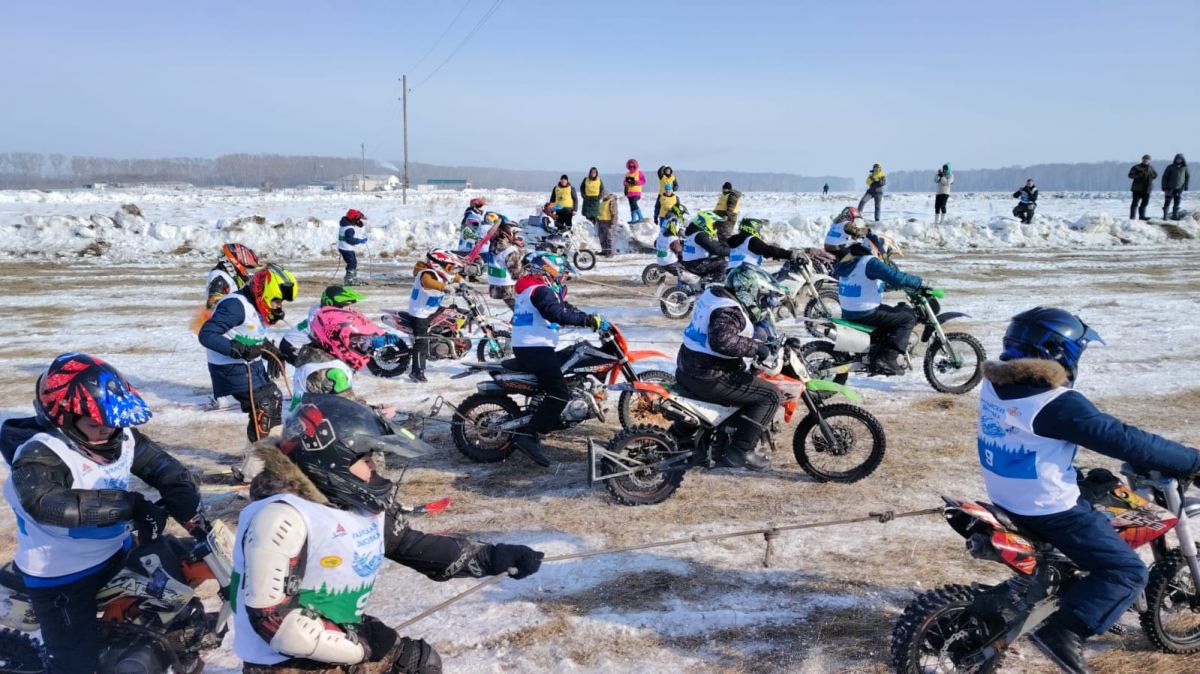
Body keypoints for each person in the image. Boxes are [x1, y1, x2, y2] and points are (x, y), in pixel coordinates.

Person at [233, 395, 543, 674]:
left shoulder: (350, 505)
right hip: (286, 661)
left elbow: (409, 544)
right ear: (330, 458)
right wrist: (363, 644)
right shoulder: (283, 517)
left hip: (336, 639)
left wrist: (492, 557)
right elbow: (276, 621)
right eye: (365, 458)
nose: (375, 467)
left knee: (421, 663)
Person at [978, 307, 1200, 674]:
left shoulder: (995, 383)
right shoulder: (1055, 403)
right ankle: (1064, 630)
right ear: (1060, 352)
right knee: (1126, 572)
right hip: (1049, 508)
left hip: (1008, 494)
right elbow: (1125, 440)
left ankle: (1066, 582)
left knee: (1100, 485)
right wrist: (1193, 461)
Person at [1, 353, 200, 674]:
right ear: (65, 419)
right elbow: (48, 502)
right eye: (94, 424)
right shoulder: (40, 453)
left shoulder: (120, 436)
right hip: (62, 574)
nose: (107, 431)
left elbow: (164, 468)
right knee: (75, 665)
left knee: (178, 587)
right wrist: (131, 506)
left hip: (116, 551)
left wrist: (184, 499)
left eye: (113, 423)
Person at [674, 265, 786, 470]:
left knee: (745, 386)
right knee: (771, 396)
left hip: (689, 368)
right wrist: (757, 348)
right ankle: (740, 452)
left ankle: (679, 438)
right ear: (749, 292)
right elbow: (722, 342)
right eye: (761, 298)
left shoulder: (714, 296)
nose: (762, 303)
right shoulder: (728, 310)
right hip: (710, 376)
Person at [510, 252, 605, 467]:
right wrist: (586, 321)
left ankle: (548, 415)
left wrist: (589, 317)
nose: (563, 279)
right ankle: (530, 434)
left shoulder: (532, 288)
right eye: (561, 275)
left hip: (533, 346)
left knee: (567, 366)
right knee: (559, 392)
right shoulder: (540, 290)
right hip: (534, 348)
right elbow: (557, 314)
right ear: (548, 271)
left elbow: (564, 308)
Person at [200, 263, 297, 452]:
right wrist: (238, 349)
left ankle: (254, 456)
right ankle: (256, 463)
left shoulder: (255, 304)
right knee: (264, 406)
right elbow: (206, 334)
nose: (279, 306)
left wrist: (270, 350)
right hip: (230, 366)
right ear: (264, 293)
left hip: (250, 364)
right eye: (277, 301)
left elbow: (251, 332)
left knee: (274, 398)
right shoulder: (235, 306)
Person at [833, 240, 936, 375]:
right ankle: (888, 357)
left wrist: (890, 286)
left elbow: (865, 283)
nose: (883, 255)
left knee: (892, 313)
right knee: (908, 317)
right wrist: (920, 283)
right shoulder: (870, 262)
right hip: (865, 312)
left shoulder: (851, 262)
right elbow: (896, 277)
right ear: (875, 249)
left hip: (849, 311)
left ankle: (876, 351)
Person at [289, 307, 403, 418]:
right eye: (358, 340)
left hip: (303, 419)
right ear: (336, 340)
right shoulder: (334, 373)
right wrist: (380, 414)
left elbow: (339, 402)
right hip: (319, 426)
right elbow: (349, 412)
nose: (363, 346)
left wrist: (371, 407)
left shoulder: (315, 357)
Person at [407, 249, 464, 383]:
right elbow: (428, 283)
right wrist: (445, 287)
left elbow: (454, 276)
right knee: (422, 341)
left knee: (456, 314)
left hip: (432, 309)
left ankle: (444, 341)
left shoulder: (441, 273)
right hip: (420, 313)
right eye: (449, 267)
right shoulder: (425, 273)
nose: (451, 270)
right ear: (437, 264)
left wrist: (463, 283)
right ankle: (417, 372)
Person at [280, 284, 366, 365]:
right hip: (292, 346)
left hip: (305, 344)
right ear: (333, 305)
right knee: (324, 367)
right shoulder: (321, 319)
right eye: (345, 306)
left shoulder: (326, 313)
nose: (349, 309)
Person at [726, 218, 828, 269]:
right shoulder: (751, 240)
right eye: (759, 229)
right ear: (753, 228)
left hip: (732, 273)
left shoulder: (735, 241)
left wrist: (773, 255)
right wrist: (790, 254)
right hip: (746, 275)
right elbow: (767, 249)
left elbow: (756, 252)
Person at [206, 243, 261, 309]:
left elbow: (250, 280)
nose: (246, 270)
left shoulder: (233, 275)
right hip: (227, 314)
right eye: (246, 267)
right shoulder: (221, 278)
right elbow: (212, 303)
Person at [681, 210, 731, 280]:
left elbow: (717, 244)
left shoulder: (694, 232)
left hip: (691, 262)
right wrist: (732, 252)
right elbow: (716, 249)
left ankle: (707, 280)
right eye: (713, 224)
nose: (715, 226)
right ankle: (716, 284)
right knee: (724, 263)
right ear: (706, 223)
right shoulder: (700, 235)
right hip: (695, 264)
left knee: (718, 258)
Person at [485, 220, 524, 308]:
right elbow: (517, 274)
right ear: (509, 233)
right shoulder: (510, 250)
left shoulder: (493, 245)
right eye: (515, 234)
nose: (517, 237)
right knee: (522, 310)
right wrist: (530, 273)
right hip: (508, 288)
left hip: (495, 286)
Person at [338, 209, 369, 286]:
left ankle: (352, 278)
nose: (359, 221)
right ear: (353, 219)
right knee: (352, 263)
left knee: (353, 263)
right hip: (347, 249)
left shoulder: (344, 224)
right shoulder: (349, 228)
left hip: (343, 247)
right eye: (358, 219)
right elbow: (350, 240)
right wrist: (359, 241)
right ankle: (349, 280)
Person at [1126, 154, 1157, 221]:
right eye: (1144, 159)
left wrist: (1151, 176)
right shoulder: (1136, 167)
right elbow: (1130, 175)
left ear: (1149, 161)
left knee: (1145, 203)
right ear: (1142, 159)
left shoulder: (1151, 168)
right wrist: (1138, 175)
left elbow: (1155, 175)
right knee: (1135, 203)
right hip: (1137, 189)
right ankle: (1132, 217)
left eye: (1147, 159)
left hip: (1147, 189)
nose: (1146, 160)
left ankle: (1142, 216)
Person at [1161, 153, 1189, 221]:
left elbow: (1187, 177)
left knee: (1177, 202)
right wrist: (1163, 186)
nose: (1178, 160)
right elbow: (1164, 177)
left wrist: (1186, 185)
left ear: (1182, 160)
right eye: (1177, 159)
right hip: (1169, 187)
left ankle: (1175, 216)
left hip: (1179, 188)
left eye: (1180, 159)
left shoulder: (1185, 168)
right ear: (1175, 159)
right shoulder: (1170, 167)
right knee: (1167, 202)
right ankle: (1165, 216)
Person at [623, 158, 647, 224]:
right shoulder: (627, 174)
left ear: (635, 165)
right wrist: (626, 183)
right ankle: (633, 219)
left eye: (633, 165)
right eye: (630, 166)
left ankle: (640, 217)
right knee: (631, 206)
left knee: (634, 203)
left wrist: (636, 182)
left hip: (636, 192)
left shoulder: (639, 172)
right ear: (628, 166)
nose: (632, 167)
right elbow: (624, 182)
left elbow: (643, 181)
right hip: (629, 192)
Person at [596, 190, 619, 256]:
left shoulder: (612, 201)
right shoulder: (603, 202)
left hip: (608, 222)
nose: (603, 196)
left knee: (609, 238)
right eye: (602, 195)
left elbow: (614, 212)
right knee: (602, 238)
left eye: (604, 194)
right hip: (601, 221)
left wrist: (613, 222)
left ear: (607, 194)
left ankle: (610, 253)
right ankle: (604, 251)